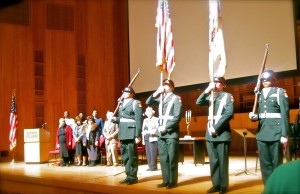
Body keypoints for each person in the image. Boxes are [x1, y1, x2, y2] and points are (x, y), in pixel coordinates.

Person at [249, 70, 289, 184]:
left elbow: (285, 114)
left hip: (276, 132)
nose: (265, 81)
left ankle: (277, 186)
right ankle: (268, 187)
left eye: (268, 79)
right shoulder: (259, 93)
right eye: (263, 79)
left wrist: (284, 133)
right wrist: (254, 116)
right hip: (262, 132)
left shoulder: (280, 92)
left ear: (273, 80)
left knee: (276, 163)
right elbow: (262, 114)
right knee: (265, 163)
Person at [196, 76, 234, 194]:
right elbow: (198, 102)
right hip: (209, 134)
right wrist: (207, 89)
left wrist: (216, 127)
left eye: (219, 83)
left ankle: (223, 185)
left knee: (222, 161)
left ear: (224, 85)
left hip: (222, 132)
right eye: (215, 82)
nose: (216, 84)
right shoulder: (210, 96)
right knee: (213, 161)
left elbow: (228, 113)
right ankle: (215, 184)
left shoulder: (228, 96)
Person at [146, 79, 182, 189]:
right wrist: (157, 92)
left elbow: (177, 117)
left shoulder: (176, 98)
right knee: (163, 158)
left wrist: (166, 128)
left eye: (167, 85)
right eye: (164, 85)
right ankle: (165, 180)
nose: (165, 87)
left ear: (172, 87)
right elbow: (148, 102)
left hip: (171, 132)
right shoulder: (160, 98)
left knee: (172, 158)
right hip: (161, 133)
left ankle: (172, 181)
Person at [115, 86, 142, 185]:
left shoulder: (136, 103)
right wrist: (114, 119)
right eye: (123, 92)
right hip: (123, 132)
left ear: (131, 93)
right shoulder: (121, 104)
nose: (124, 93)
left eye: (126, 92)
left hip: (131, 132)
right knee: (125, 156)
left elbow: (138, 120)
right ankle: (128, 175)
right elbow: (121, 119)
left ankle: (133, 177)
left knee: (132, 156)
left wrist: (137, 135)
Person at [142, 107, 159, 171]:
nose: (148, 113)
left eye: (150, 111)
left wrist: (150, 132)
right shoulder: (145, 120)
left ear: (153, 112)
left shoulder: (156, 119)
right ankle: (150, 166)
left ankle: (154, 166)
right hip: (146, 138)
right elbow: (143, 129)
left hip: (153, 137)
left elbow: (157, 129)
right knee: (148, 153)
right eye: (147, 112)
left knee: (153, 153)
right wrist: (143, 139)